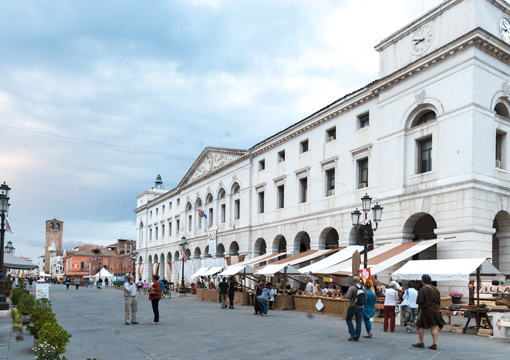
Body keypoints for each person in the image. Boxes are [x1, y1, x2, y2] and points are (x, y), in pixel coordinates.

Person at [413, 274, 445, 350]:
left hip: (425, 310)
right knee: (433, 326)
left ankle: (421, 342)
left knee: (420, 325)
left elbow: (420, 301)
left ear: (422, 281)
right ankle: (434, 343)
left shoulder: (423, 289)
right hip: (435, 310)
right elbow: (438, 300)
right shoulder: (435, 289)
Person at [345, 276, 365, 341]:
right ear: (359, 281)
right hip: (361, 307)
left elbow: (348, 297)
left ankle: (353, 333)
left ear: (353, 281)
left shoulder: (352, 288)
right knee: (358, 321)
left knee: (348, 319)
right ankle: (357, 336)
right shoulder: (363, 288)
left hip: (353, 306)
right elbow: (366, 298)